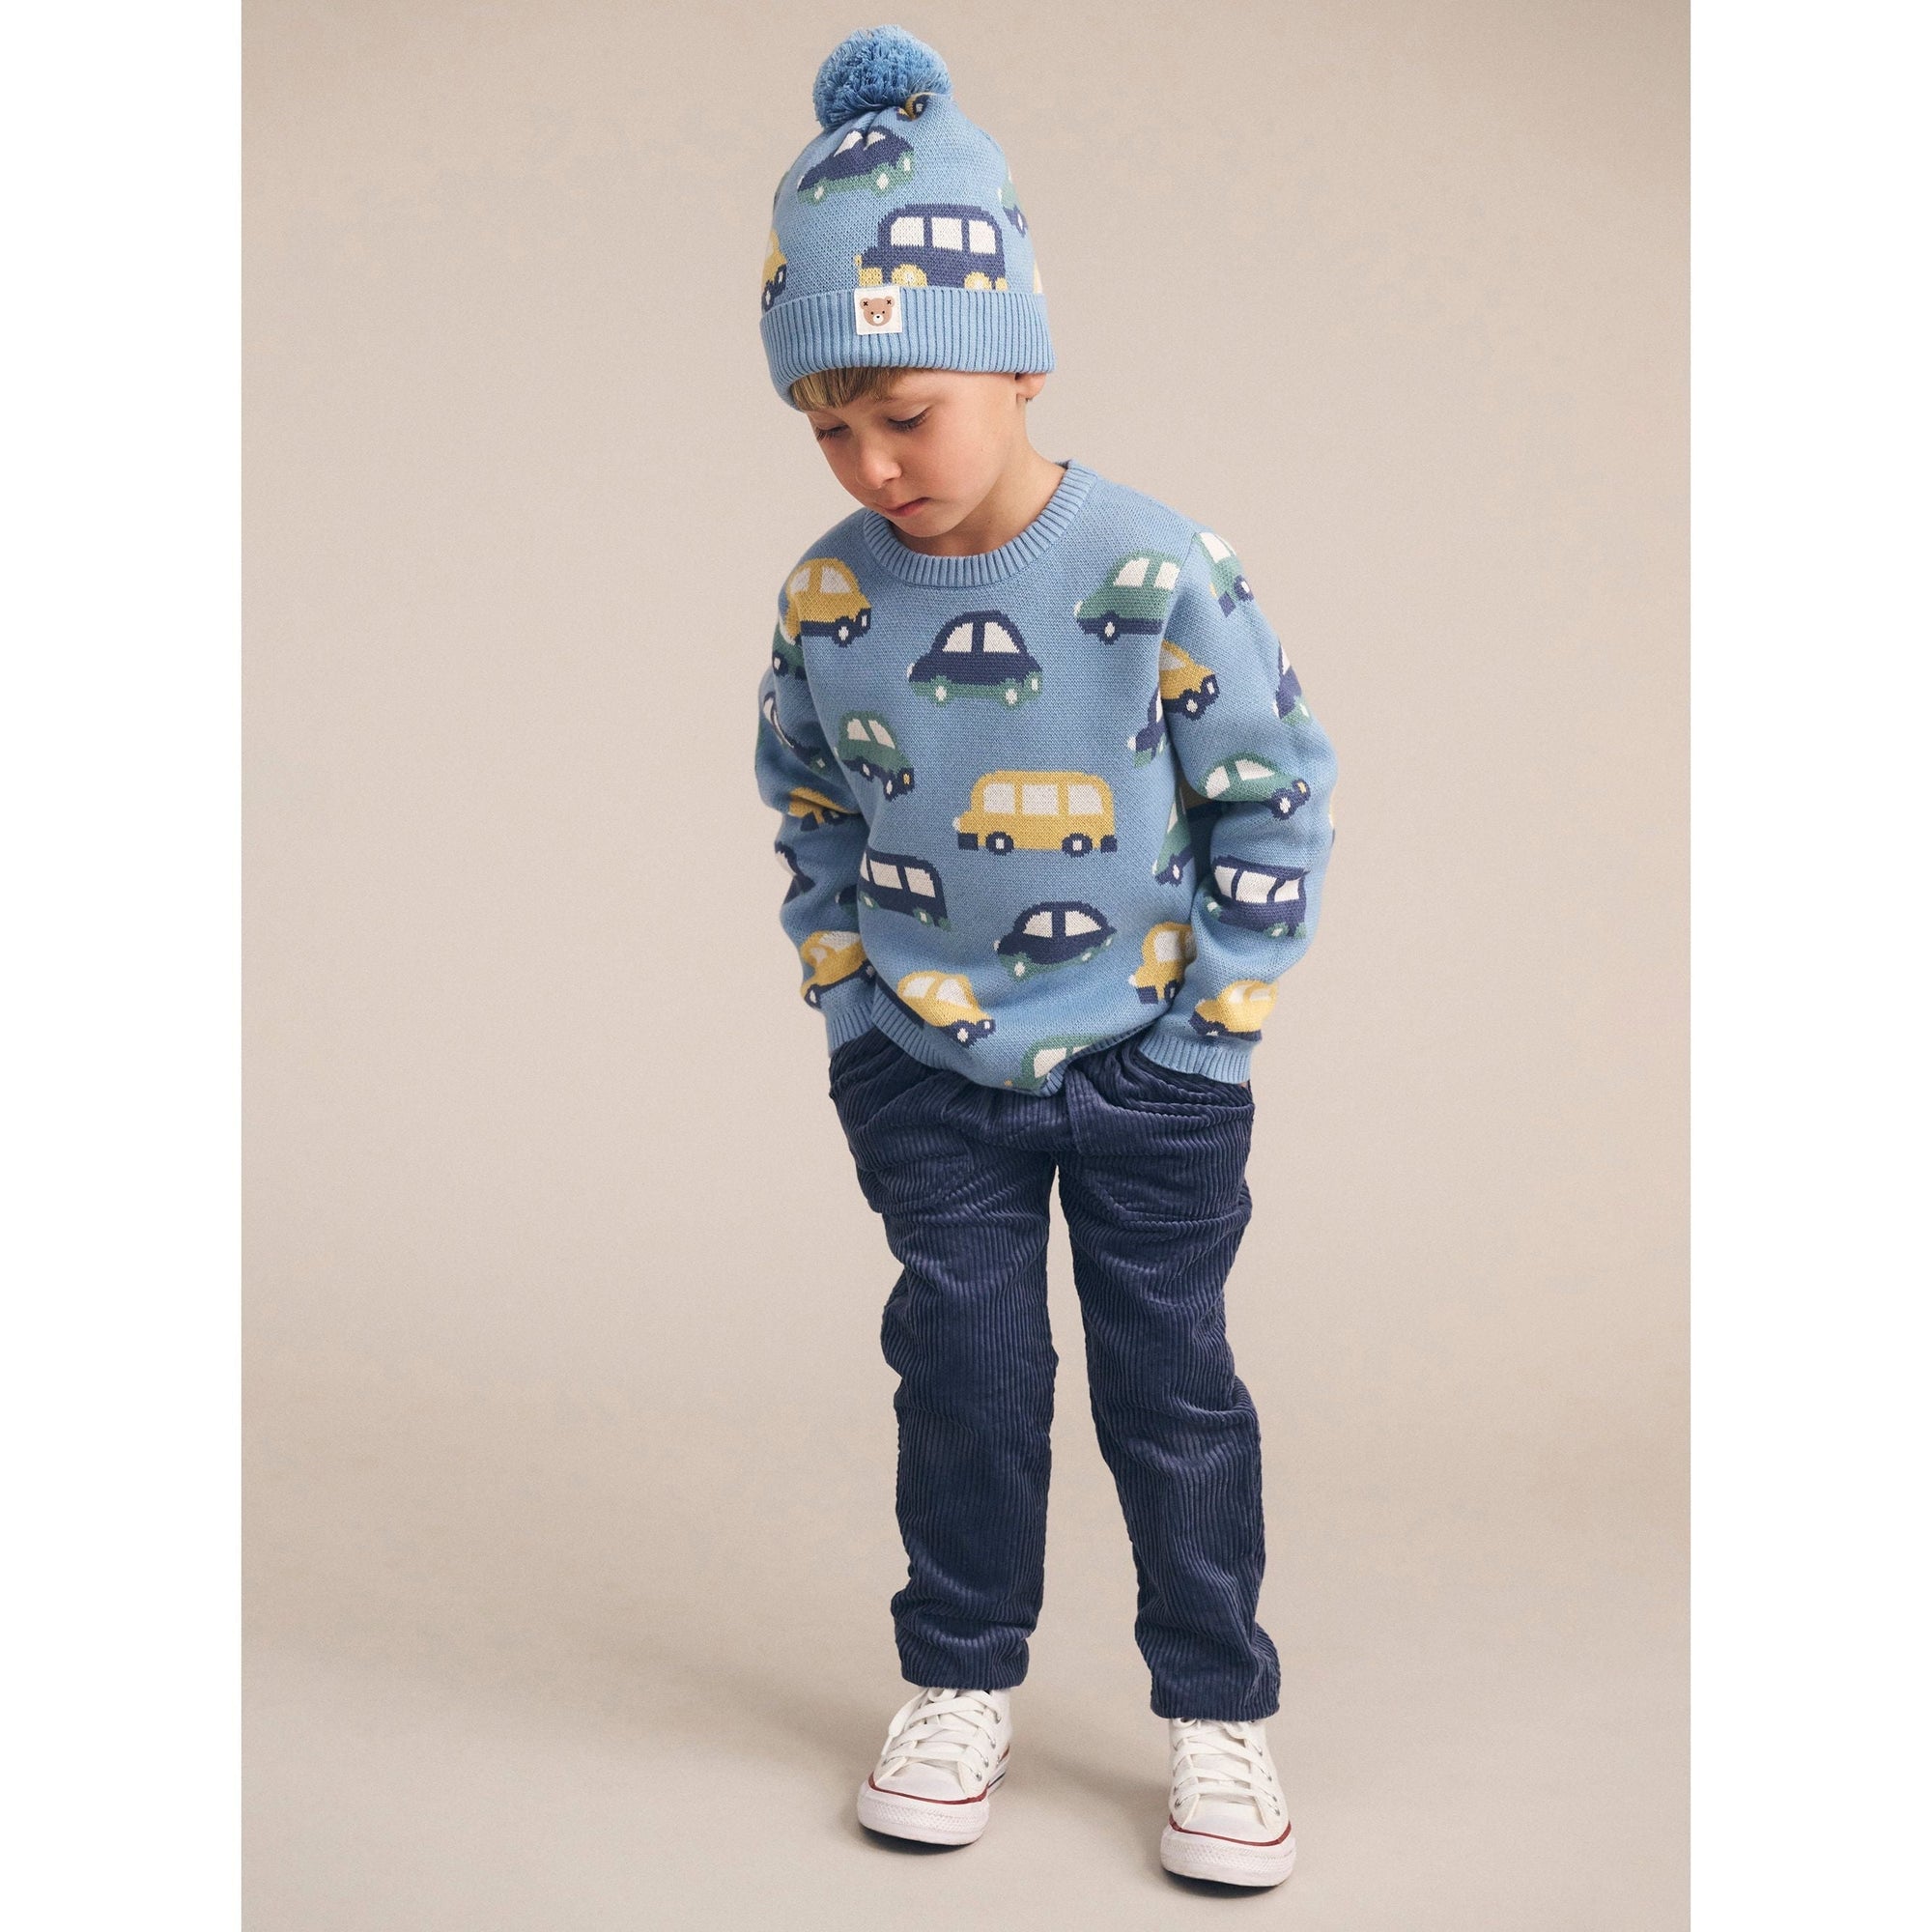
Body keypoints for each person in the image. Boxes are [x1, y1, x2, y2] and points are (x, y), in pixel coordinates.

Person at [751, 27, 1338, 1890]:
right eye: (828, 426)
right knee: (967, 1386)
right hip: (931, 1073)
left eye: (903, 412)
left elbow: (1273, 794)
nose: (870, 462)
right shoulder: (829, 596)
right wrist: (853, 1014)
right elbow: (809, 805)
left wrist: (1214, 1030)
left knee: (1175, 1395)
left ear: (1013, 357)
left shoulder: (1153, 566)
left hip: (1153, 1068)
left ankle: (1218, 1713)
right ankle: (958, 1680)